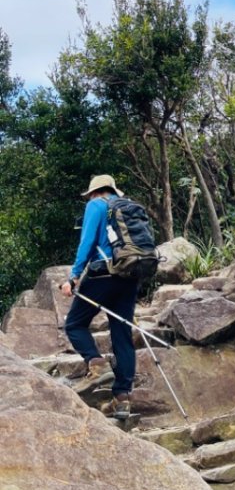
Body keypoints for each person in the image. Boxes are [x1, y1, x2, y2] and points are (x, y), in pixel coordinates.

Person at [59, 174, 139, 420]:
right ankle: (122, 399)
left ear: (95, 192)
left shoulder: (96, 205)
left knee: (74, 323)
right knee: (122, 334)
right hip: (131, 273)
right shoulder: (130, 207)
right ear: (113, 189)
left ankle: (96, 364)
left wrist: (73, 277)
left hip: (103, 272)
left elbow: (87, 242)